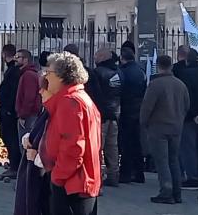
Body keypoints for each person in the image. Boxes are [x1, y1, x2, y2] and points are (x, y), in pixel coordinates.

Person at [42, 52, 102, 215]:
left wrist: (57, 178)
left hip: (73, 184)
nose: (46, 77)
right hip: (77, 181)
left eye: (48, 73)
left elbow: (74, 147)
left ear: (62, 76)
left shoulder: (70, 102)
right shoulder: (77, 98)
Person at [139, 55, 190, 205]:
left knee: (162, 161)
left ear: (158, 66)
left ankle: (166, 192)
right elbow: (187, 106)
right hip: (176, 127)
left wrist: (144, 123)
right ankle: (177, 192)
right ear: (171, 66)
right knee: (173, 160)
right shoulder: (181, 85)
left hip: (158, 127)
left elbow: (147, 107)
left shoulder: (155, 84)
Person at [15, 69, 52, 215]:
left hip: (45, 171)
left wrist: (38, 156)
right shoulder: (48, 108)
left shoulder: (59, 108)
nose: (40, 92)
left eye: (44, 88)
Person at [174, 48, 198, 189]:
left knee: (188, 148)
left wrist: (193, 114)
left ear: (187, 59)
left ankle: (192, 177)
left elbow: (187, 98)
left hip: (189, 117)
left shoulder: (185, 75)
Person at [90, 48, 123, 187]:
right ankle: (113, 174)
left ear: (103, 57)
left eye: (97, 55)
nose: (95, 57)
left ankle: (97, 178)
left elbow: (95, 93)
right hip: (115, 113)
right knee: (112, 146)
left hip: (101, 114)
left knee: (97, 146)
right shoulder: (118, 72)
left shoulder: (97, 73)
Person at [118, 47, 146, 184]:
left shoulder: (123, 72)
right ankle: (139, 173)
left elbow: (121, 91)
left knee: (126, 143)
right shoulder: (140, 71)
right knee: (136, 142)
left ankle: (126, 173)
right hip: (138, 109)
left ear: (122, 58)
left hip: (126, 110)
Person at [0, 43, 22, 179]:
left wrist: (9, 109)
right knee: (7, 136)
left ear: (4, 54)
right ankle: (14, 164)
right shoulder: (13, 69)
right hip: (8, 109)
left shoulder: (13, 70)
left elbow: (12, 91)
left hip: (9, 110)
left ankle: (15, 166)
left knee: (10, 137)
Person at [15, 49, 41, 156]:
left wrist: (23, 115)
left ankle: (26, 171)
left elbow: (29, 97)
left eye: (18, 57)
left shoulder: (28, 75)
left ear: (25, 60)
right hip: (30, 114)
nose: (16, 60)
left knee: (25, 144)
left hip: (28, 116)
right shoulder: (29, 74)